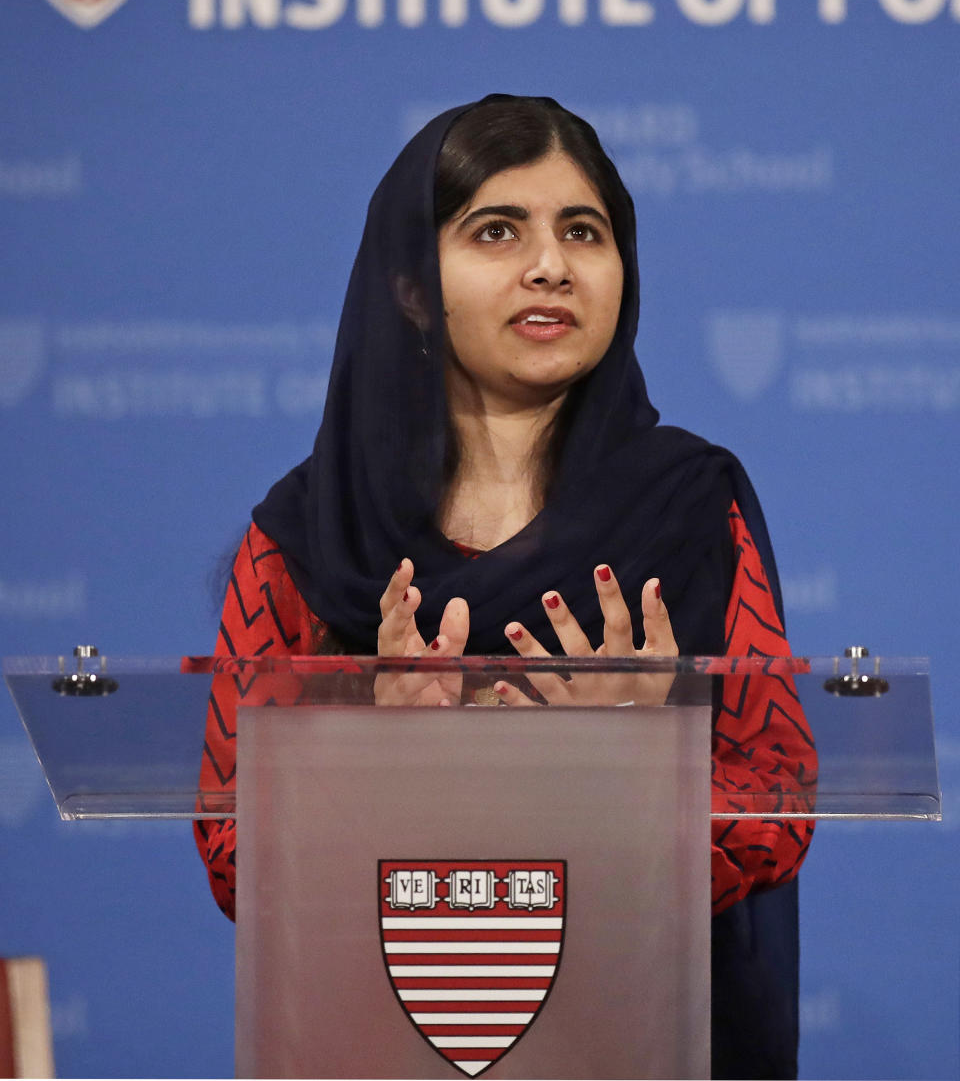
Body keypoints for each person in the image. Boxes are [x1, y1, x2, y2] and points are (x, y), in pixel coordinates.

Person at [191, 95, 816, 1080]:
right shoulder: (312, 533)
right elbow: (237, 853)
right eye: (496, 230)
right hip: (382, 1042)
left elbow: (778, 798)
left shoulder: (689, 508)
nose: (551, 266)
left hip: (642, 1040)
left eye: (584, 231)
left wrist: (638, 762)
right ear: (408, 284)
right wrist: (372, 755)